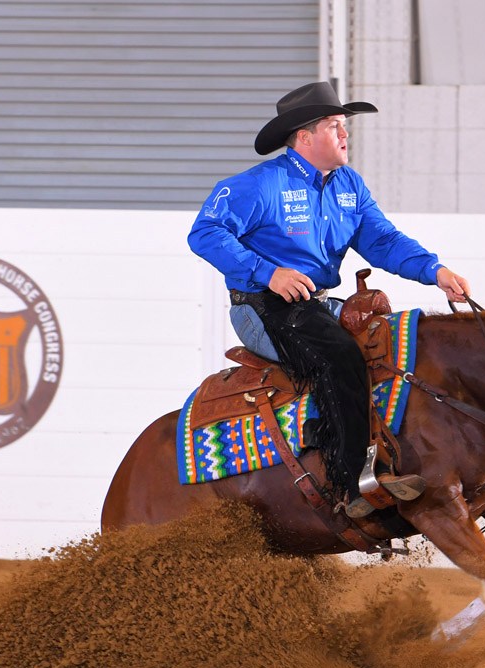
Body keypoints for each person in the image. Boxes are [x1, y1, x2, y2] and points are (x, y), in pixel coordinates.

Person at [188, 81, 470, 518]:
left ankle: (393, 455)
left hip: (315, 303)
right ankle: (349, 483)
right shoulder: (259, 185)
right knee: (339, 355)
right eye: (335, 125)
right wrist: (269, 273)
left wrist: (434, 271)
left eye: (344, 125)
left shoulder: (348, 185)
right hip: (262, 307)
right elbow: (205, 233)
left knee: (393, 345)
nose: (345, 133)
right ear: (304, 136)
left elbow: (382, 240)